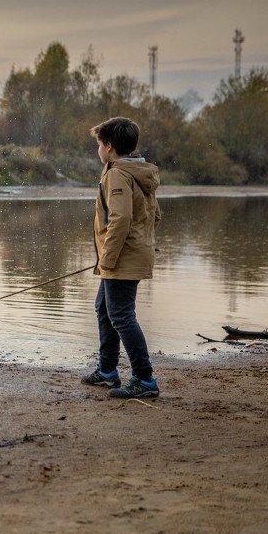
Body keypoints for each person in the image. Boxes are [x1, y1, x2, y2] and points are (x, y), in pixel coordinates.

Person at [81, 116, 162, 398]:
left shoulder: (117, 173)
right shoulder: (136, 170)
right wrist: (141, 243)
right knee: (104, 308)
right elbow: (155, 214)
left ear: (110, 146)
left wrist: (108, 257)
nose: (98, 150)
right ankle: (107, 371)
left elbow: (121, 218)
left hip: (121, 259)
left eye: (99, 145)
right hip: (127, 255)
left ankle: (145, 379)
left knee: (121, 315)